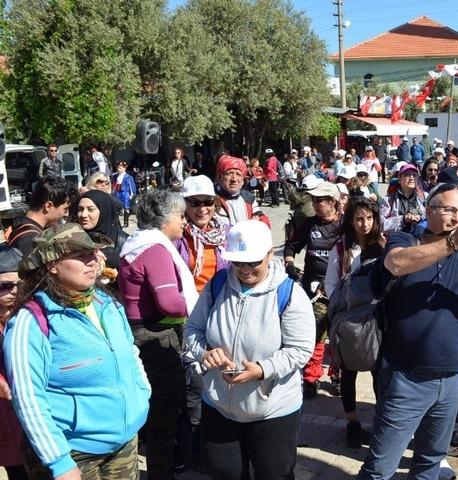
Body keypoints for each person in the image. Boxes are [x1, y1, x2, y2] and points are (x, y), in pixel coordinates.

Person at [356, 177, 458, 480]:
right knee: (380, 468)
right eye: (450, 210)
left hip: (450, 376)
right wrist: (452, 243)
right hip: (405, 376)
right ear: (429, 209)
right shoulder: (404, 238)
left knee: (429, 464)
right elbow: (396, 264)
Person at [4, 224, 150, 480]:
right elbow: (27, 398)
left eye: (93, 254)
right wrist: (59, 462)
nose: (92, 262)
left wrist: (141, 395)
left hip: (124, 442)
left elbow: (130, 353)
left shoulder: (108, 304)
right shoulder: (31, 322)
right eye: (81, 255)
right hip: (72, 452)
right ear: (52, 265)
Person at [184, 219, 314, 480]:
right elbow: (192, 330)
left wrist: (263, 370)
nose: (244, 269)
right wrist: (204, 353)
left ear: (269, 254)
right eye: (238, 262)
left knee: (274, 474)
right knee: (224, 471)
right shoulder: (217, 285)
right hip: (219, 404)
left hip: (271, 409)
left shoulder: (289, 294)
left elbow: (300, 349)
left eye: (253, 261)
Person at [119, 189, 198, 479]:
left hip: (140, 334)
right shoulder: (155, 250)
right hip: (156, 337)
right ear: (165, 218)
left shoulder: (136, 244)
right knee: (163, 416)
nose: (183, 222)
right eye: (179, 215)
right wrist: (198, 306)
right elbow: (169, 302)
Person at [323, 197, 386, 448]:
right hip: (350, 321)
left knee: (378, 371)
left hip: (377, 320)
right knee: (348, 373)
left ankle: (382, 424)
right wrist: (345, 308)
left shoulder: (384, 245)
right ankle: (353, 424)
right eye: (359, 218)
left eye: (369, 218)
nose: (365, 224)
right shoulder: (340, 249)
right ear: (350, 220)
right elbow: (330, 283)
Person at [282, 182, 343, 399]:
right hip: (314, 289)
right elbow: (291, 246)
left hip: (341, 289)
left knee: (339, 336)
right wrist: (289, 264)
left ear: (333, 202)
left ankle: (337, 375)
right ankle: (310, 378)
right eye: (314, 200)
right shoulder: (310, 224)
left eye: (320, 200)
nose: (315, 204)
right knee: (316, 334)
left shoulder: (346, 224)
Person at [0, 247, 25, 480]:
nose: (14, 292)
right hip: (7, 424)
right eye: (4, 286)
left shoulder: (32, 317)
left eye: (19, 284)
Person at [7, 176, 75, 257]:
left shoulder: (20, 224)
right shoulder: (32, 241)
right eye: (65, 209)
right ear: (48, 206)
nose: (66, 214)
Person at [71, 190, 128, 274]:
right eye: (80, 209)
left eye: (90, 209)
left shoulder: (125, 242)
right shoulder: (72, 239)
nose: (83, 215)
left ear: (104, 212)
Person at [214, 155, 270, 227]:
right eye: (229, 174)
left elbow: (261, 217)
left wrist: (260, 224)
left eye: (238, 174)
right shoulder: (209, 200)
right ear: (219, 177)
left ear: (243, 181)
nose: (234, 179)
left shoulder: (248, 198)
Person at [380, 164, 426, 235]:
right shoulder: (389, 200)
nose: (411, 178)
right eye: (407, 175)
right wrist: (403, 219)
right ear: (399, 179)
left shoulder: (424, 198)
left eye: (414, 175)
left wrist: (419, 216)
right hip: (397, 241)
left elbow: (430, 217)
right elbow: (380, 224)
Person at [112, 160, 136, 228]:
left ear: (125, 168)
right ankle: (116, 222)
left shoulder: (128, 177)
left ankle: (126, 222)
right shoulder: (115, 176)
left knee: (126, 207)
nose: (119, 169)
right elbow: (114, 184)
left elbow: (132, 186)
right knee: (116, 207)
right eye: (118, 167)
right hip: (117, 192)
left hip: (125, 193)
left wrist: (132, 194)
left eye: (121, 168)